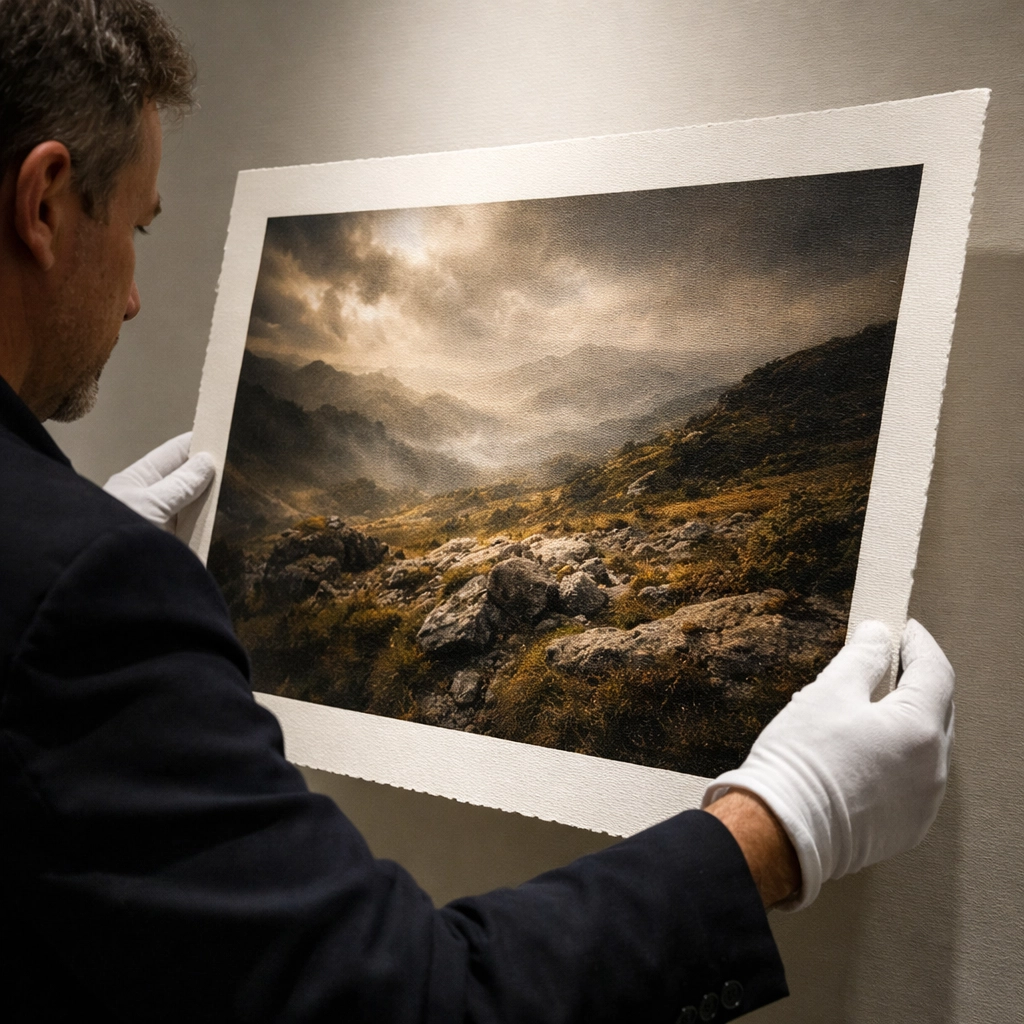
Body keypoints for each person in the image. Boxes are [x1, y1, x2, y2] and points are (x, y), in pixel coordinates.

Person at [0, 2, 955, 1022]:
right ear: (48, 202)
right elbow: (416, 1002)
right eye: (139, 227)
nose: (139, 296)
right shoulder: (85, 596)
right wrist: (778, 826)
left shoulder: (63, 581)